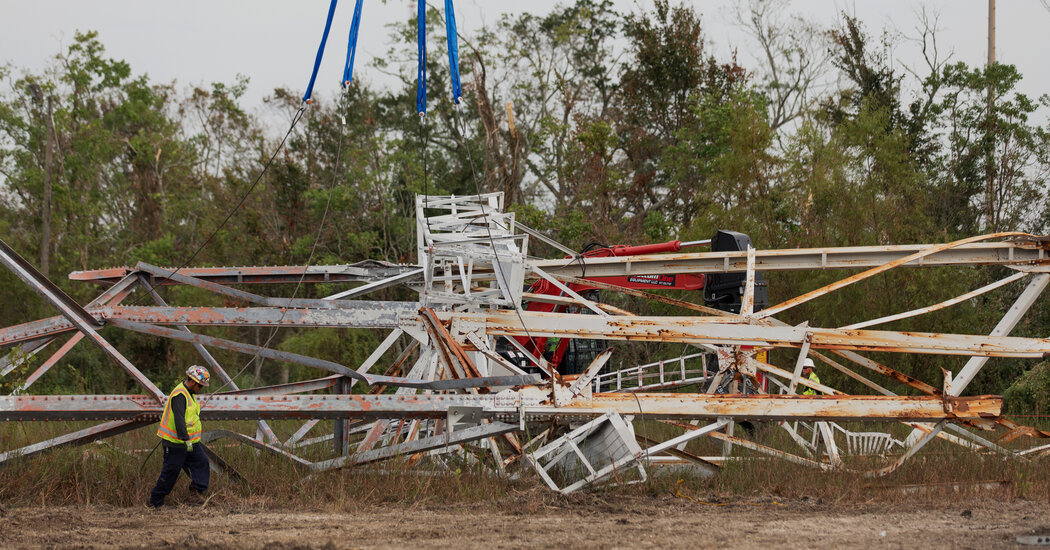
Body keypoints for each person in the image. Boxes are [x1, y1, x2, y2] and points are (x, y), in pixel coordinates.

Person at [148, 365, 211, 508]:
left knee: (202, 463)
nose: (201, 389)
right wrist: (185, 439)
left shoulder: (191, 394)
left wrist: (190, 441)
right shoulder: (180, 395)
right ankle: (155, 503)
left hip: (191, 442)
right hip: (175, 443)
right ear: (193, 382)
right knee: (170, 473)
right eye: (200, 386)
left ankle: (195, 494)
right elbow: (179, 419)